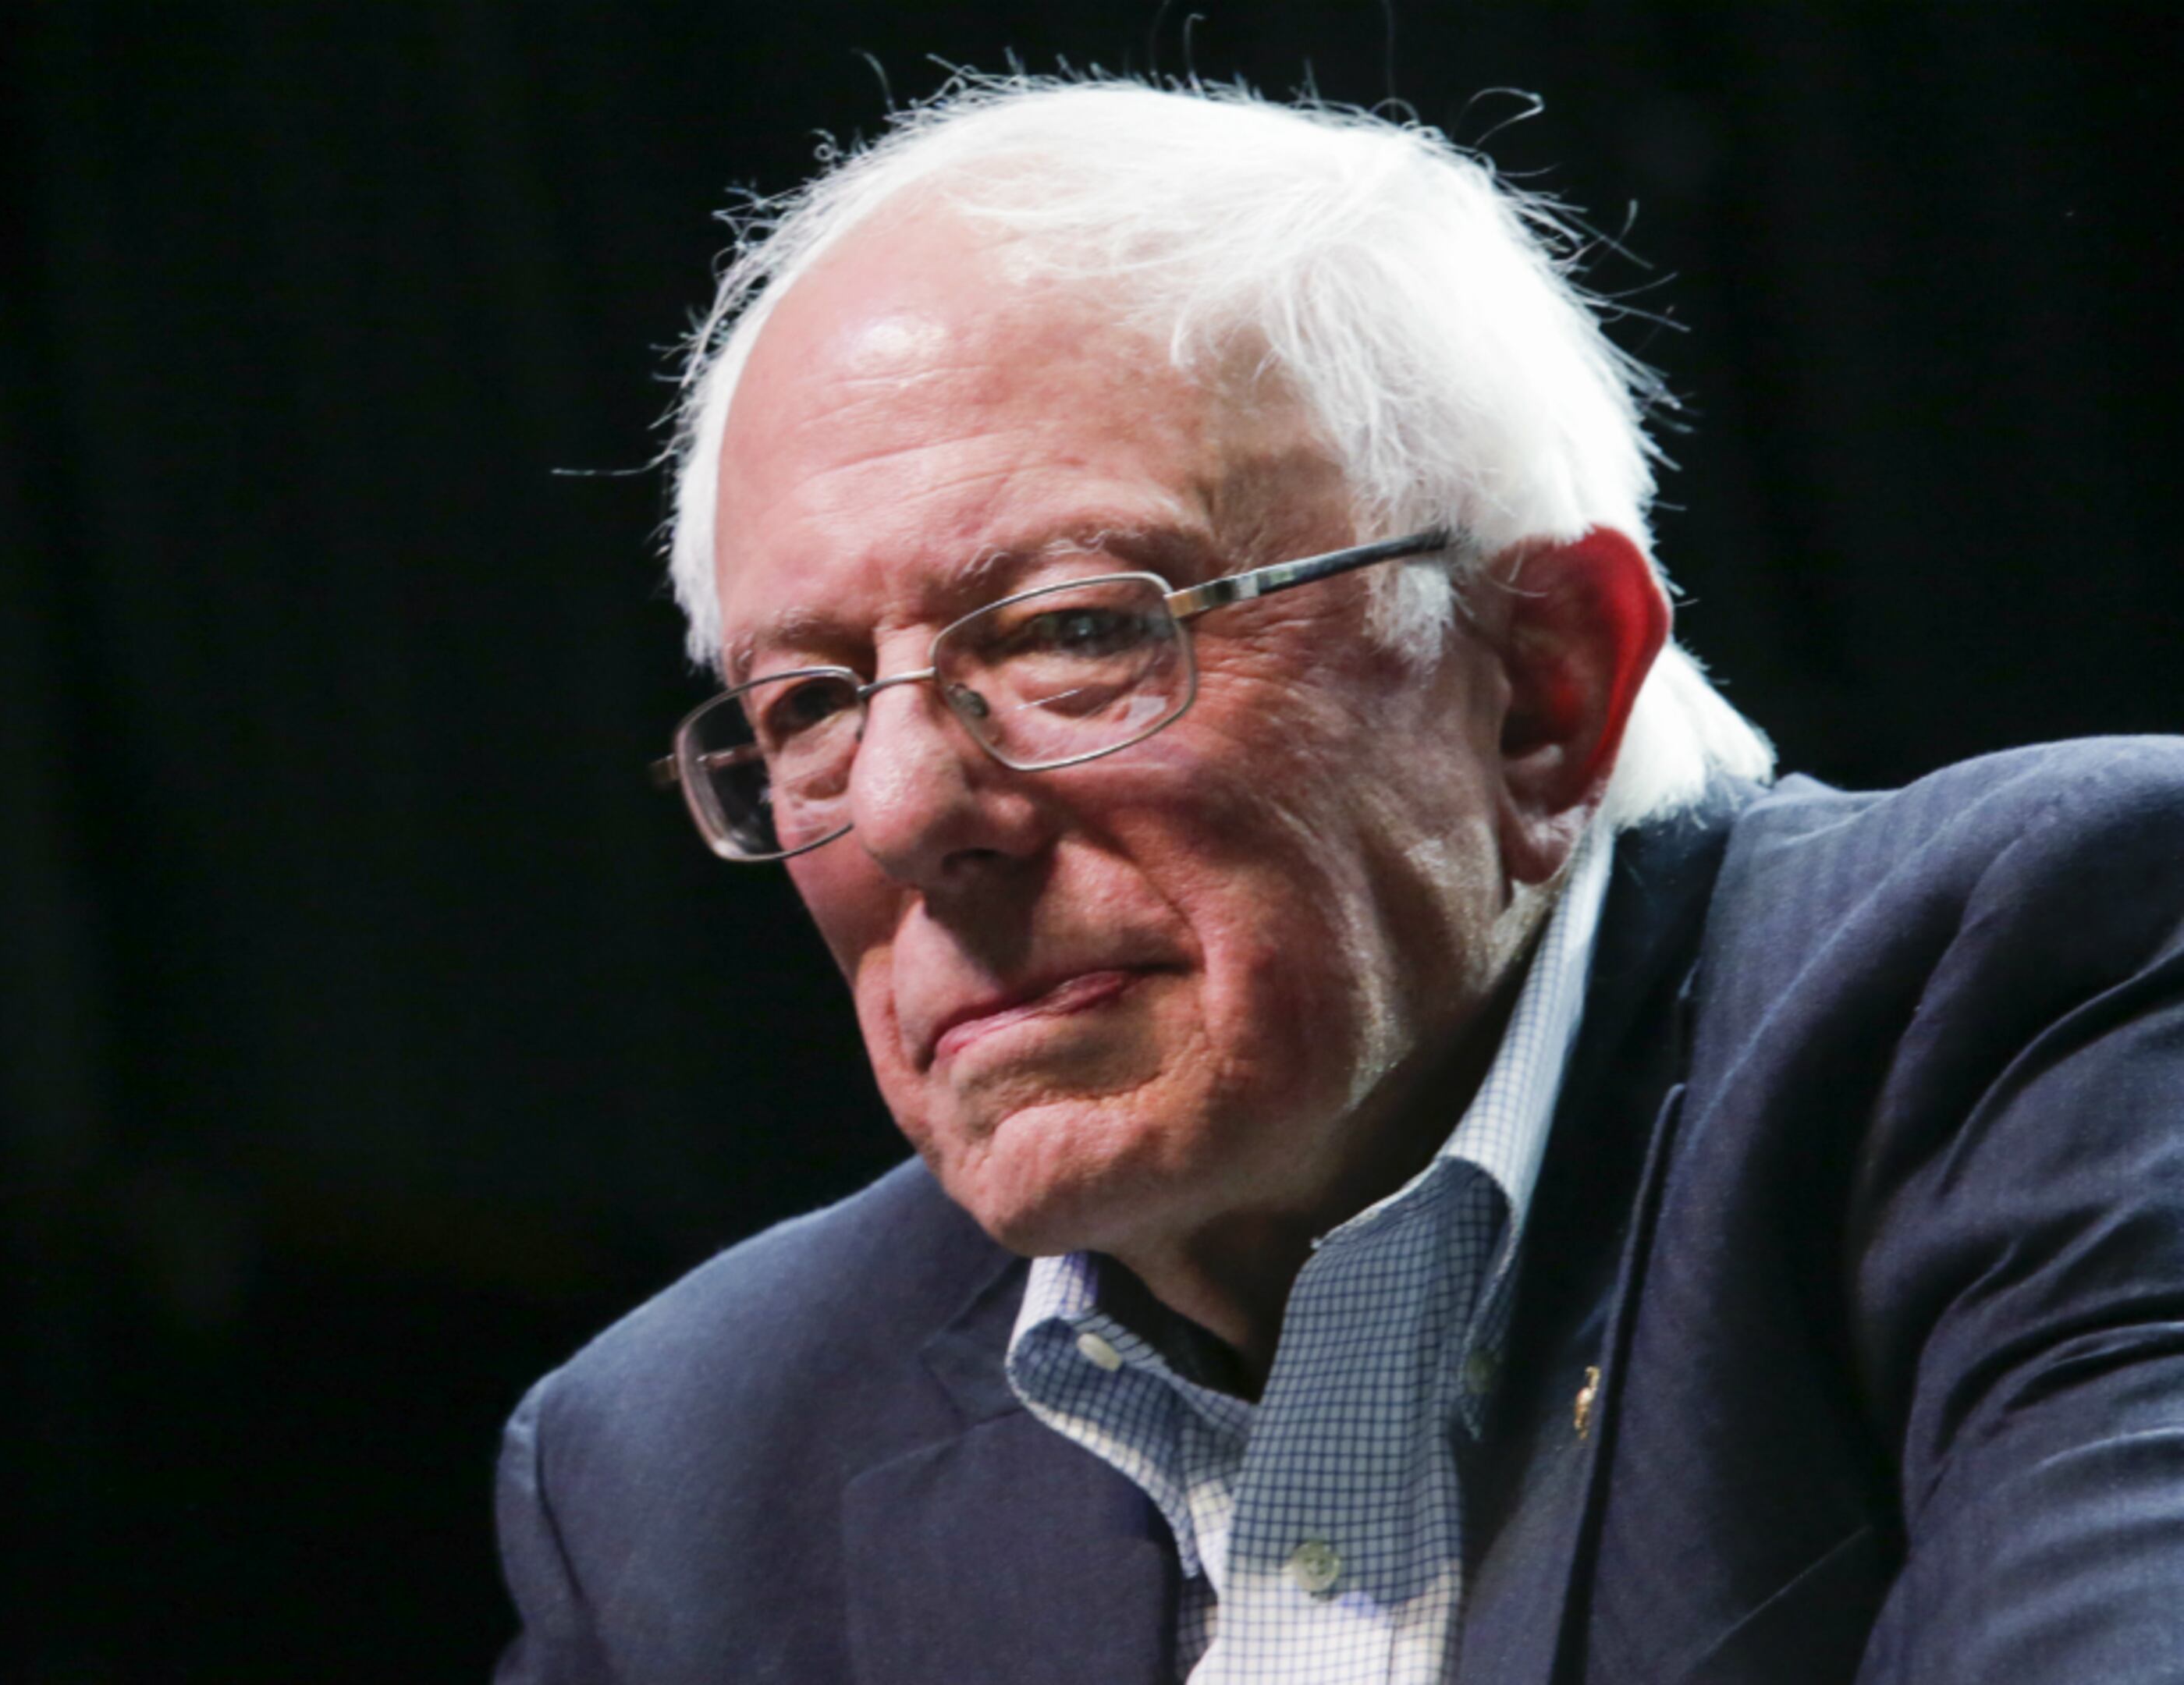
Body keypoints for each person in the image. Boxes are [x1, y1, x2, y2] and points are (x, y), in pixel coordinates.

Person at [493, 77, 2184, 1685]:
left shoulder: (2048, 1001)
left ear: (1539, 687)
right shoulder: (682, 1464)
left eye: (1080, 630)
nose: (906, 805)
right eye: (804, 707)